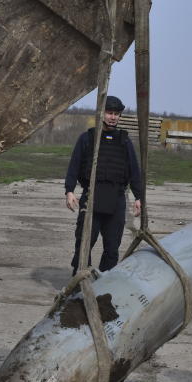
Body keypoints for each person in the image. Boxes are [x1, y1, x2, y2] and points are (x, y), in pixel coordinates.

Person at [65, 95, 143, 275]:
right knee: (83, 244)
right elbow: (74, 166)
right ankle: (80, 283)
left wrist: (139, 197)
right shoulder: (87, 138)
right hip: (91, 198)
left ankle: (104, 285)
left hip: (116, 200)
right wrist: (69, 191)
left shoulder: (124, 141)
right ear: (101, 113)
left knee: (112, 248)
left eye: (116, 114)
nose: (113, 117)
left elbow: (134, 172)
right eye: (109, 113)